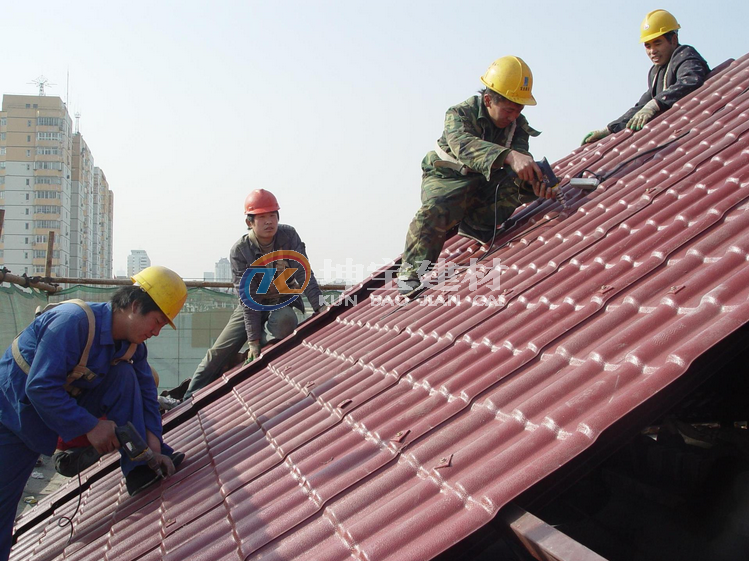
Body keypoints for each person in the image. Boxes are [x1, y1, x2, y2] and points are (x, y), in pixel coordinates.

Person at [0, 265, 188, 561]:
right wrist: (90, 426)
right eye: (156, 321)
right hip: (13, 417)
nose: (156, 331)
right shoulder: (72, 323)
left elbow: (147, 397)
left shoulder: (131, 346)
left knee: (128, 378)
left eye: (163, 326)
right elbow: (39, 387)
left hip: (55, 410)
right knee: (3, 506)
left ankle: (139, 467)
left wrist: (154, 446)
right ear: (135, 306)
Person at [397, 55, 555, 295]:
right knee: (436, 208)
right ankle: (411, 272)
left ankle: (479, 226)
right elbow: (463, 144)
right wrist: (510, 156)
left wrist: (536, 182)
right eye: (509, 110)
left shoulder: (517, 126)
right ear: (489, 100)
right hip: (447, 178)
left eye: (519, 110)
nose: (514, 116)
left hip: (485, 181)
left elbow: (520, 162)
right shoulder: (459, 114)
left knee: (522, 183)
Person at [183, 189, 324, 399]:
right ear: (250, 222)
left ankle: (267, 375)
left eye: (272, 215)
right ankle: (189, 397)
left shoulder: (288, 236)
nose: (269, 222)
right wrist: (253, 341)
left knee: (285, 321)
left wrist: (322, 307)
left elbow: (305, 273)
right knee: (219, 351)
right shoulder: (240, 250)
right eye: (262, 217)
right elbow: (248, 298)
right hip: (252, 305)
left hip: (282, 300)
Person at [582, 9, 709, 145]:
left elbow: (690, 80)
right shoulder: (656, 72)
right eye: (648, 46)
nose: (652, 51)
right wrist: (610, 128)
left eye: (657, 43)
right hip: (676, 133)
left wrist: (655, 104)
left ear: (673, 40)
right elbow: (642, 106)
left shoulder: (685, 56)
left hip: (700, 129)